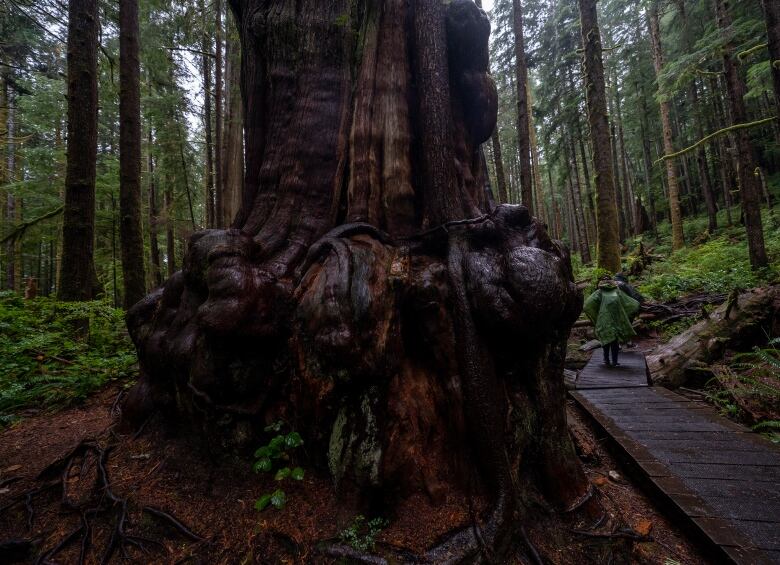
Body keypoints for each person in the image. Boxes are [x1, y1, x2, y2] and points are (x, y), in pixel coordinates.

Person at [583, 275, 641, 367]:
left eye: (607, 280)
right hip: (614, 319)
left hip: (605, 319)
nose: (606, 281)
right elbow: (629, 303)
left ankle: (609, 360)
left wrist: (597, 315)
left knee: (608, 340)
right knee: (613, 341)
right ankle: (611, 361)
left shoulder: (600, 292)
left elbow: (588, 305)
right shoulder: (613, 291)